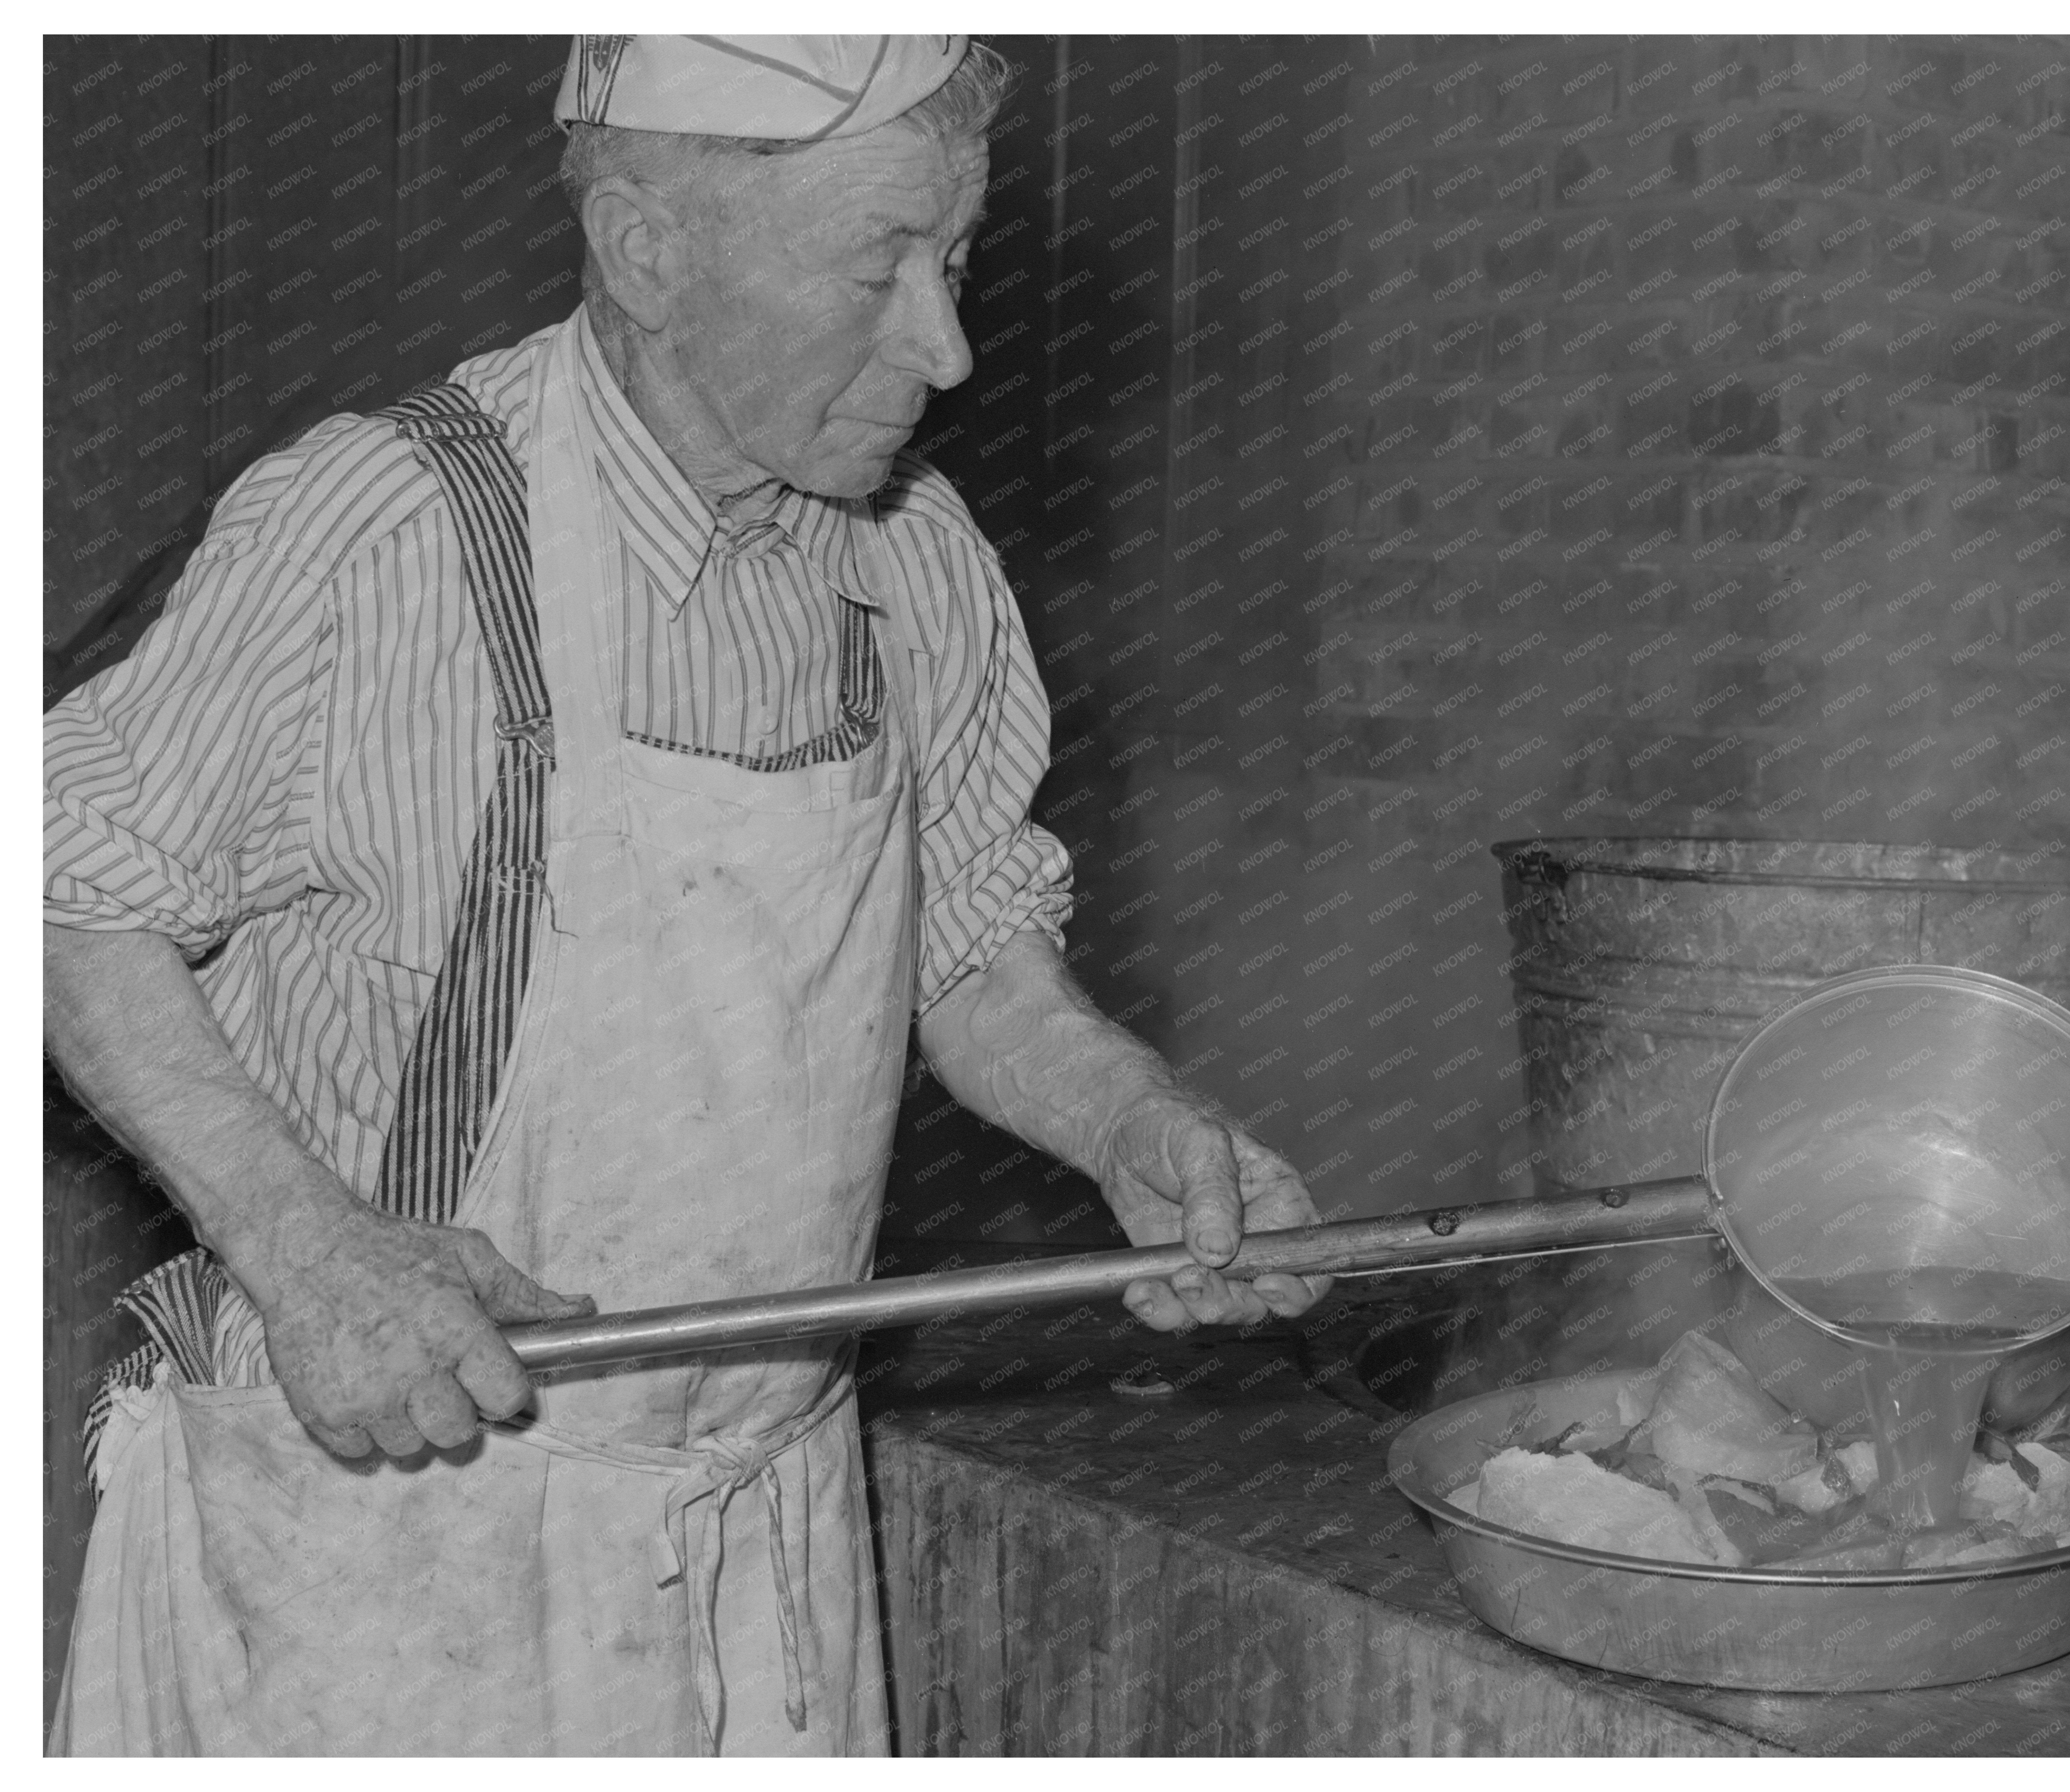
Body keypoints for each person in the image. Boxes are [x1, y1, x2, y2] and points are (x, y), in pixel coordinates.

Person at [44, 34, 1326, 1756]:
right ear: (649, 251)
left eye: (951, 261)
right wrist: (304, 1244)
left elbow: (964, 954)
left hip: (763, 1532)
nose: (944, 347)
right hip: (399, 1547)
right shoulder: (390, 529)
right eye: (878, 266)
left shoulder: (913, 561)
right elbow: (50, 882)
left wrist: (1133, 1123)